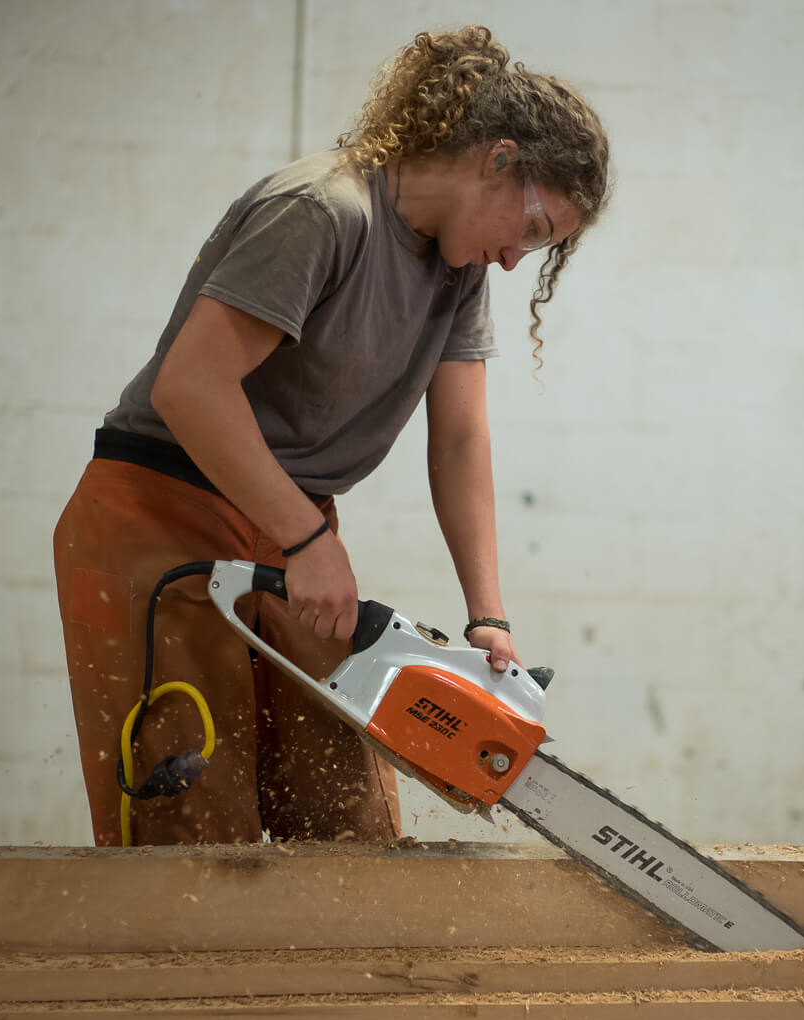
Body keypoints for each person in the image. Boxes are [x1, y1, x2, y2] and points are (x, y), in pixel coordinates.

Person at [53, 25, 609, 847]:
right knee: (193, 828)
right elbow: (191, 387)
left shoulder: (458, 271)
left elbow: (458, 443)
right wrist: (306, 535)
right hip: (159, 517)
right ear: (496, 159)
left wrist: (486, 617)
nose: (518, 261)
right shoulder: (321, 211)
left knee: (345, 819)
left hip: (290, 531)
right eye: (532, 230)